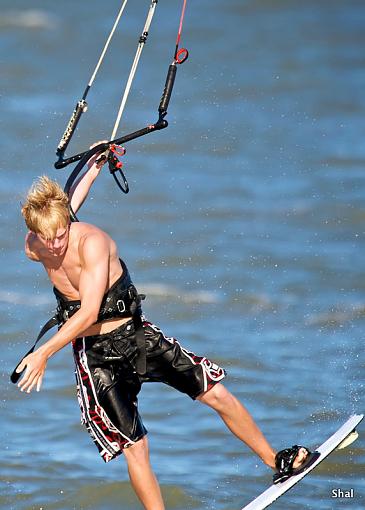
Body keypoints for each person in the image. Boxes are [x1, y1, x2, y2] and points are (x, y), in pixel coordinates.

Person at [14, 144, 312, 510]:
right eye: (49, 238)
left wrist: (42, 353)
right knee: (135, 447)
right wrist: (92, 164)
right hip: (95, 359)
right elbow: (65, 202)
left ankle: (274, 460)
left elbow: (89, 311)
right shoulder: (35, 245)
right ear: (34, 233)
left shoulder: (93, 242)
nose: (57, 244)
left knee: (213, 391)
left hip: (136, 337)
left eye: (62, 233)